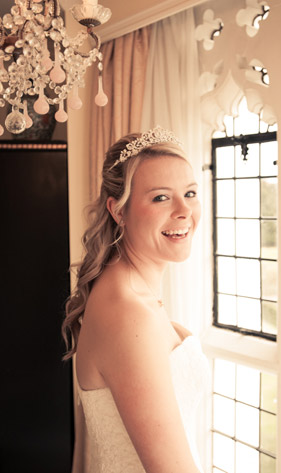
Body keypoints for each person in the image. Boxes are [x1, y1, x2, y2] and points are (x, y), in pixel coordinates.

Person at [62, 127, 210, 473]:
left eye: (190, 193)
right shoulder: (128, 312)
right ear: (118, 210)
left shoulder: (132, 291)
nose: (184, 211)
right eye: (161, 197)